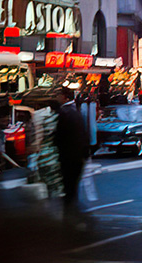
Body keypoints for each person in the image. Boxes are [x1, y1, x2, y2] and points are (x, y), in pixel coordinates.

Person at [55, 87, 90, 221]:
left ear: (65, 97)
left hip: (69, 154)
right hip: (77, 154)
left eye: (58, 95)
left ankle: (70, 211)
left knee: (69, 184)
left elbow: (60, 135)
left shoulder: (65, 113)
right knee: (73, 184)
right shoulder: (76, 112)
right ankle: (72, 209)